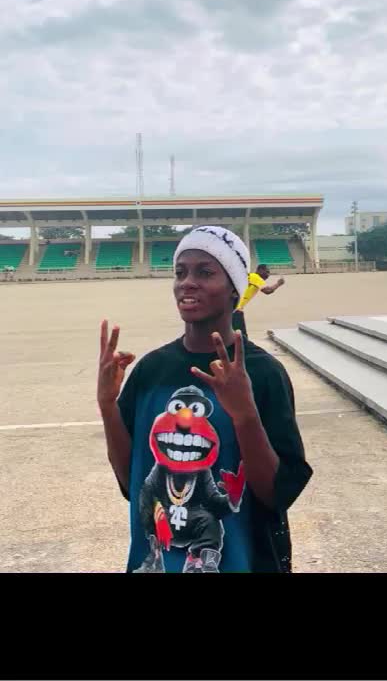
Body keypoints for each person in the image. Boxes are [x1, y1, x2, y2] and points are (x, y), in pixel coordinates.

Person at [97, 225, 312, 573]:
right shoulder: (151, 371)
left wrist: (245, 416)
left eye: (205, 272)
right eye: (180, 272)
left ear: (234, 289)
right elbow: (131, 483)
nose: (188, 283)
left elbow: (277, 494)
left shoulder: (263, 374)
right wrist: (108, 407)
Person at [232, 264, 285, 340]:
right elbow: (268, 291)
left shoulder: (251, 277)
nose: (268, 275)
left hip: (230, 308)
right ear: (260, 270)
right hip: (235, 310)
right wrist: (279, 283)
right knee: (242, 336)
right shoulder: (256, 277)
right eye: (267, 272)